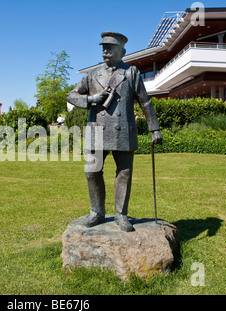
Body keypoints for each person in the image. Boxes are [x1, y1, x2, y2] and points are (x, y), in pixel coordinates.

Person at [66, 32, 163, 232]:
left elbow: (145, 101)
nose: (105, 51)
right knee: (92, 172)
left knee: (124, 173)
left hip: (123, 130)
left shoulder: (131, 73)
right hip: (97, 130)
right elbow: (71, 95)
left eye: (110, 47)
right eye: (103, 47)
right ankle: (97, 212)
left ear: (123, 51)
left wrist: (154, 128)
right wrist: (91, 100)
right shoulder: (93, 74)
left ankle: (121, 214)